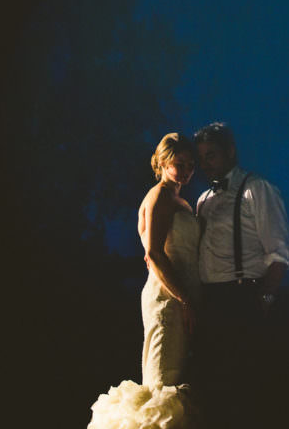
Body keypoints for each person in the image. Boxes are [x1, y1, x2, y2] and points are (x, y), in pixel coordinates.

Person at [87, 133, 202, 429]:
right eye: (180, 163)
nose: (187, 170)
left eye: (191, 164)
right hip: (168, 298)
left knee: (173, 382)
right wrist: (184, 299)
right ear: (163, 162)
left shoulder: (179, 198)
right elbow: (152, 254)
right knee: (161, 387)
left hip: (180, 298)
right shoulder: (160, 195)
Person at [192, 122, 289, 429]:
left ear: (231, 151)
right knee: (213, 393)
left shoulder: (257, 188)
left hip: (242, 298)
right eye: (202, 157)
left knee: (245, 394)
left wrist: (264, 297)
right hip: (208, 302)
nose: (205, 163)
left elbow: (280, 253)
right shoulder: (203, 200)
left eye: (212, 155)